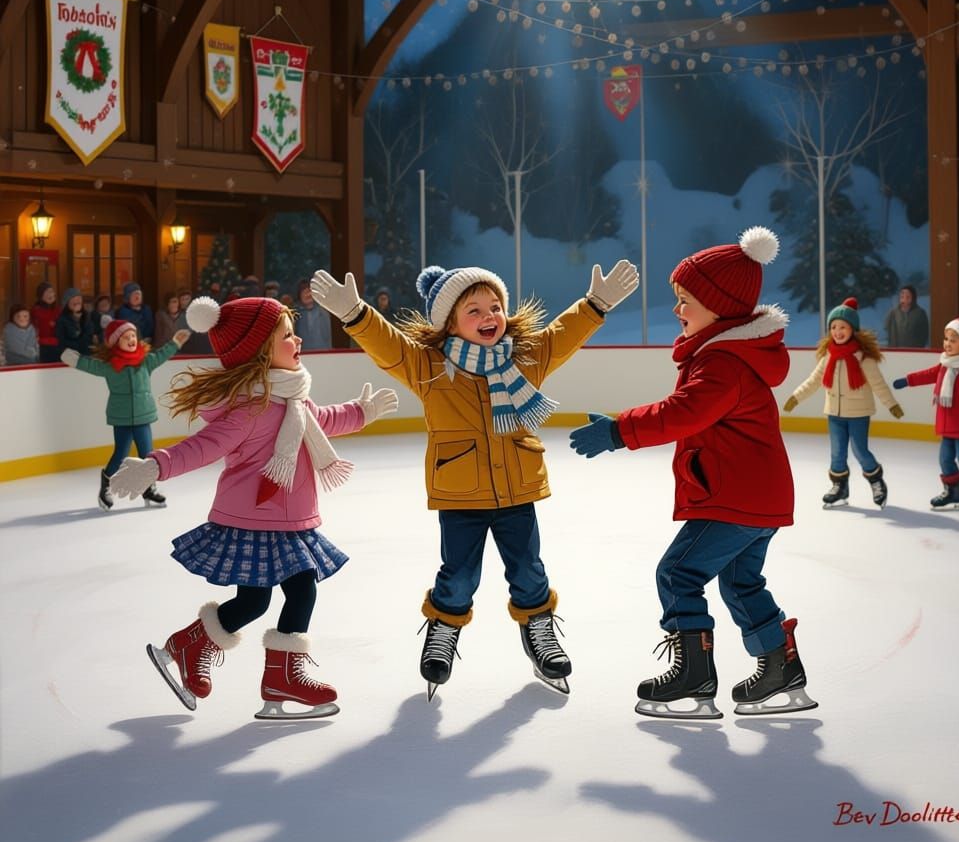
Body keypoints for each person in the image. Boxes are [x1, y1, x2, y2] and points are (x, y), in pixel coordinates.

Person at [311, 258, 639, 699]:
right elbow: (389, 346)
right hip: (460, 494)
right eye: (474, 310)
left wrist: (595, 304)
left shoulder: (524, 361)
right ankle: (443, 630)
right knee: (460, 575)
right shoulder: (429, 369)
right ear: (449, 323)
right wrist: (355, 314)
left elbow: (562, 337)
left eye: (495, 307)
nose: (489, 317)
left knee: (528, 570)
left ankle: (539, 633)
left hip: (517, 490)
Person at [107, 296, 398, 719]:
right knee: (284, 592)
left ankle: (190, 647)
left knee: (269, 597)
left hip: (289, 517)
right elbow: (203, 448)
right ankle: (269, 673)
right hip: (254, 518)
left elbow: (325, 421)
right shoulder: (251, 408)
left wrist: (361, 411)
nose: (297, 339)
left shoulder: (293, 397)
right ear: (261, 348)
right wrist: (155, 466)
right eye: (286, 334)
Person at [569, 227, 817, 720]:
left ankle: (693, 676)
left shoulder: (723, 363)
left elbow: (682, 413)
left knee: (679, 573)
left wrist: (619, 431)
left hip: (736, 498)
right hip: (759, 499)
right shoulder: (734, 356)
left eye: (686, 300)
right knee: (741, 583)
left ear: (719, 307)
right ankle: (779, 668)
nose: (678, 310)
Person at [782, 297, 903, 508]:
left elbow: (879, 384)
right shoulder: (829, 356)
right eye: (834, 327)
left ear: (852, 329)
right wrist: (796, 396)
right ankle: (840, 487)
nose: (838, 331)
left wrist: (891, 404)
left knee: (860, 451)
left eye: (842, 327)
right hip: (834, 414)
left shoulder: (863, 358)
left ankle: (876, 481)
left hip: (858, 413)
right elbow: (814, 381)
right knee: (837, 453)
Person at [61, 319, 189, 511]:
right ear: (115, 343)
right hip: (121, 417)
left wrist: (175, 343)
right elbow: (91, 366)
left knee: (147, 455)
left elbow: (162, 355)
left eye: (132, 336)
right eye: (125, 337)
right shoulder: (111, 366)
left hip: (143, 414)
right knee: (121, 454)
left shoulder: (145, 362)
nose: (131, 339)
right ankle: (106, 486)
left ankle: (148, 489)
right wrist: (76, 360)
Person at [892, 314, 959, 516]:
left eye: (953, 340)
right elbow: (929, 374)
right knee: (945, 459)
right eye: (946, 339)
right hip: (948, 426)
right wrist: (908, 380)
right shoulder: (946, 365)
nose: (947, 344)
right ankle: (953, 492)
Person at [55, 287, 97, 358]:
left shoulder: (87, 316)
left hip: (86, 358)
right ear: (66, 303)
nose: (77, 300)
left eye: (79, 297)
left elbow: (89, 337)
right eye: (73, 298)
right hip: (70, 359)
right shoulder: (62, 320)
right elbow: (62, 343)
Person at [293, 280, 332, 350]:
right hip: (303, 354)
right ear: (299, 295)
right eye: (304, 291)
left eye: (309, 291)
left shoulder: (323, 311)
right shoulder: (296, 314)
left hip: (324, 353)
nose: (308, 294)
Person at [31, 282, 61, 363]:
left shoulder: (58, 310)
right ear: (40, 295)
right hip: (43, 349)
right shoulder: (36, 311)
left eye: (51, 291)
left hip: (59, 348)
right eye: (47, 292)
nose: (50, 294)